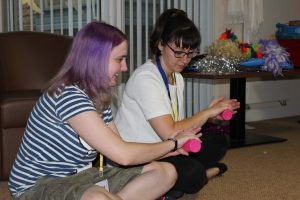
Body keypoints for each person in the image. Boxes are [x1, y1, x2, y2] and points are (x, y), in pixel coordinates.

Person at [8, 21, 201, 200]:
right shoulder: (67, 96)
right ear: (95, 59)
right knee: (97, 197)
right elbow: (123, 155)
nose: (125, 67)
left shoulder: (99, 97)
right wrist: (172, 144)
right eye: (120, 59)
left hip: (81, 178)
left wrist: (169, 151)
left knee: (165, 173)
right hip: (39, 185)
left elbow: (119, 148)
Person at [115, 8, 240, 198]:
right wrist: (206, 113)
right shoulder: (146, 78)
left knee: (219, 141)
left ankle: (179, 183)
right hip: (143, 158)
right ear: (160, 45)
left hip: (170, 149)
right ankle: (202, 175)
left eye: (190, 54)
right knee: (193, 172)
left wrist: (210, 115)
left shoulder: (177, 77)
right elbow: (169, 132)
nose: (184, 60)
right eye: (179, 52)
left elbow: (179, 133)